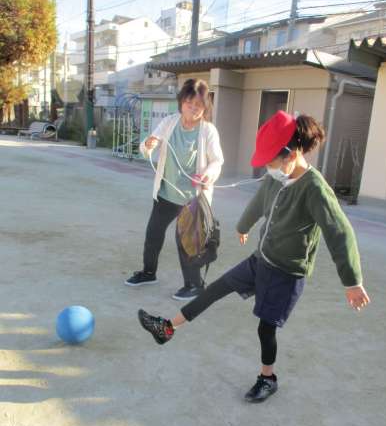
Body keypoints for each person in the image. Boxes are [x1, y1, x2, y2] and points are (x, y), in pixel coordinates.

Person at [137, 111, 371, 403]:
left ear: (292, 154)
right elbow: (259, 203)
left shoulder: (315, 189)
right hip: (261, 259)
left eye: (271, 162)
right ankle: (167, 328)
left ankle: (267, 378)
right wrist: (243, 226)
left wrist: (352, 281)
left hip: (287, 273)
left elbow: (339, 232)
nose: (268, 169)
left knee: (265, 328)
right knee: (215, 289)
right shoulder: (276, 178)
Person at [125, 79, 224, 300]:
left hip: (192, 199)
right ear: (181, 103)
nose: (193, 108)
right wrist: (148, 145)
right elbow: (149, 144)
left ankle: (194, 285)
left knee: (187, 243)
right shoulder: (169, 122)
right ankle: (148, 273)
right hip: (166, 194)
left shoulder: (208, 131)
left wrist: (209, 174)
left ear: (205, 107)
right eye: (189, 103)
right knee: (153, 234)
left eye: (199, 105)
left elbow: (217, 161)